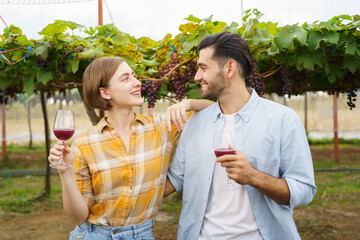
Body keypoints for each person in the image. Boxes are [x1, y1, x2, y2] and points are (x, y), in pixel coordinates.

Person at [164, 32, 317, 240]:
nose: (196, 77)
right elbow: (172, 181)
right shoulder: (195, 123)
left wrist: (253, 176)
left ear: (229, 68)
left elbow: (304, 190)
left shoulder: (283, 120)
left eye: (203, 68)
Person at [48, 56, 213, 240]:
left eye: (134, 76)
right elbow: (78, 216)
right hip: (95, 235)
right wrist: (66, 172)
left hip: (142, 234)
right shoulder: (84, 143)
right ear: (105, 93)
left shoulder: (161, 128)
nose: (137, 83)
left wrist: (187, 103)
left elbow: (214, 109)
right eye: (126, 78)